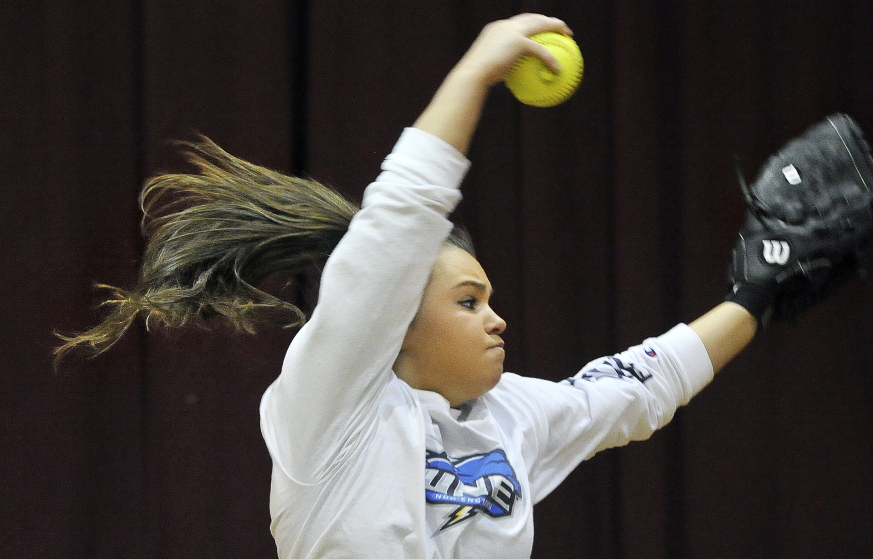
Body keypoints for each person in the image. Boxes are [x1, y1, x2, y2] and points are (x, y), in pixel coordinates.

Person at [56, 14, 759, 558]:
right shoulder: (332, 407)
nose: (496, 320)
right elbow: (396, 226)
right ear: (394, 320)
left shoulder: (510, 415)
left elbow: (640, 385)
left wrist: (759, 291)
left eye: (488, 300)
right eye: (467, 301)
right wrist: (475, 73)